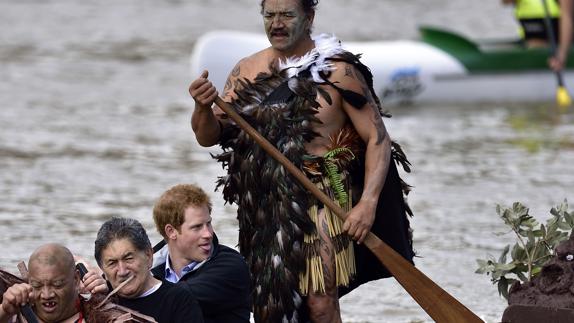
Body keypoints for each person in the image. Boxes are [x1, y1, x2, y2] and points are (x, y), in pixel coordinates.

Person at [189, 0, 415, 322]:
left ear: (309, 17)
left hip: (323, 197)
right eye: (269, 15)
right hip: (266, 200)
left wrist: (367, 204)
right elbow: (208, 136)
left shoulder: (338, 72)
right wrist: (201, 107)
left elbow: (378, 139)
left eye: (287, 15)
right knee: (270, 306)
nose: (276, 23)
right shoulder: (247, 71)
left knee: (321, 303)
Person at [150, 184, 251, 323]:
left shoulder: (231, 267)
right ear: (171, 231)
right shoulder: (149, 270)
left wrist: (129, 288)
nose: (208, 234)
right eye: (197, 227)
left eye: (208, 224)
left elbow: (177, 297)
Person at [94, 217, 204, 323]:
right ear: (102, 268)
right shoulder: (99, 300)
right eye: (112, 263)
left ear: (149, 255)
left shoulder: (179, 301)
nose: (122, 271)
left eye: (128, 259)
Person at [0, 243, 107, 323]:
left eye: (57, 284)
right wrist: (4, 311)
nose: (46, 295)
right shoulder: (14, 315)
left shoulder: (100, 317)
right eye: (37, 286)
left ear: (76, 279)